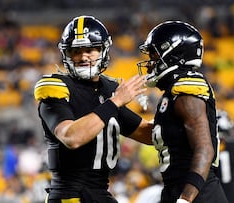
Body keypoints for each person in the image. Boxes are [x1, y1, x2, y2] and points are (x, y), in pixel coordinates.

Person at [33, 15, 153, 203]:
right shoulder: (56, 87)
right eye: (76, 51)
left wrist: (174, 112)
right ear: (67, 54)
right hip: (70, 195)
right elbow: (71, 137)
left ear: (103, 51)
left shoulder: (109, 89)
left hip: (99, 193)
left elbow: (145, 133)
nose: (83, 57)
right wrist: (115, 102)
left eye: (90, 50)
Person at [137, 20, 228, 203]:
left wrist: (185, 199)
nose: (150, 63)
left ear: (174, 54)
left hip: (197, 194)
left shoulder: (186, 87)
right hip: (176, 188)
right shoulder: (172, 92)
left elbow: (204, 149)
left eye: (155, 56)